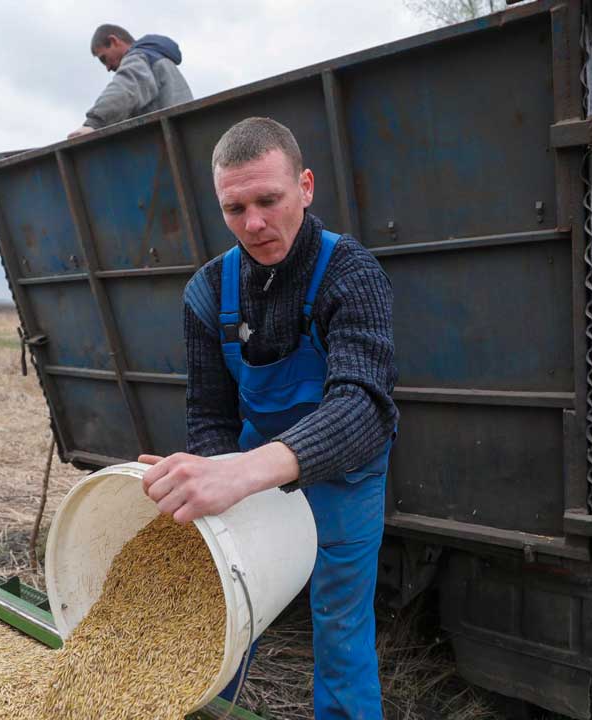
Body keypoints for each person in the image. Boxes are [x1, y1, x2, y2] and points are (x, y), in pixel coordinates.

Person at [138, 117, 398, 719]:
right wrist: (216, 471)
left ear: (305, 187)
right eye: (234, 208)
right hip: (249, 483)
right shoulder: (207, 292)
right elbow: (209, 414)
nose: (253, 223)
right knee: (225, 613)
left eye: (268, 200)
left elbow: (362, 406)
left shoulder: (352, 273)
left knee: (340, 628)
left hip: (345, 483)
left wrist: (246, 471)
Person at [67, 24, 193, 139]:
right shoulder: (157, 59)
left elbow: (124, 89)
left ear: (113, 41)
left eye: (103, 59)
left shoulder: (139, 58)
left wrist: (93, 124)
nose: (108, 68)